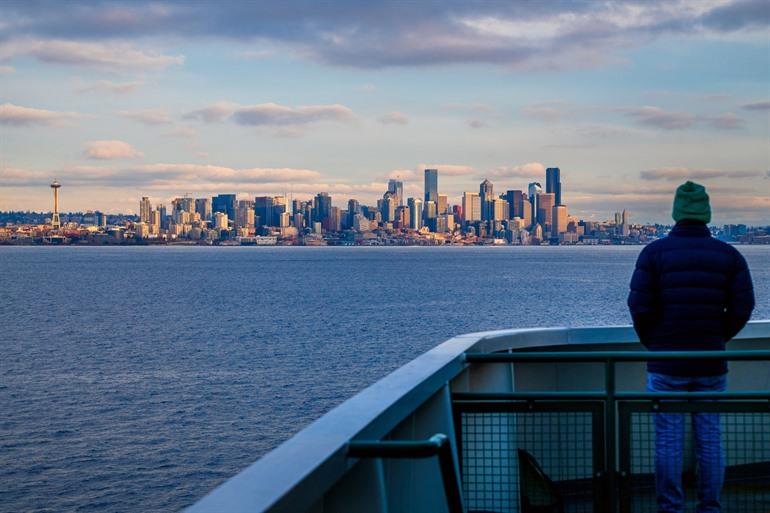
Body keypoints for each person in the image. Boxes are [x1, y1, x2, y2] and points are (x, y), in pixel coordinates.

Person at [627, 181, 754, 513]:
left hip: (667, 362)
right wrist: (718, 337)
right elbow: (743, 308)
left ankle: (670, 508)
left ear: (676, 214)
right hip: (711, 360)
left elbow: (639, 307)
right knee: (709, 440)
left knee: (668, 442)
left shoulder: (653, 253)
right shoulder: (730, 256)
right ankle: (709, 507)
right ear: (706, 214)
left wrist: (655, 343)